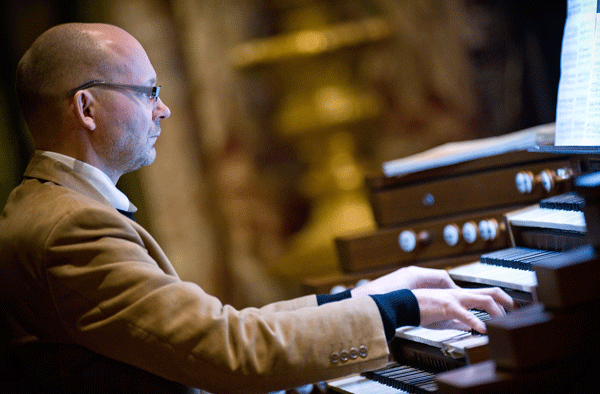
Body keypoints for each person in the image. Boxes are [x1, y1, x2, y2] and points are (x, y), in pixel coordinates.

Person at [0, 23, 513, 394]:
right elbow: (231, 351)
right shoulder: (71, 227)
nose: (164, 108)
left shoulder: (47, 206)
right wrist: (398, 309)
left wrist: (359, 297)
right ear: (87, 109)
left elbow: (214, 327)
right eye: (148, 91)